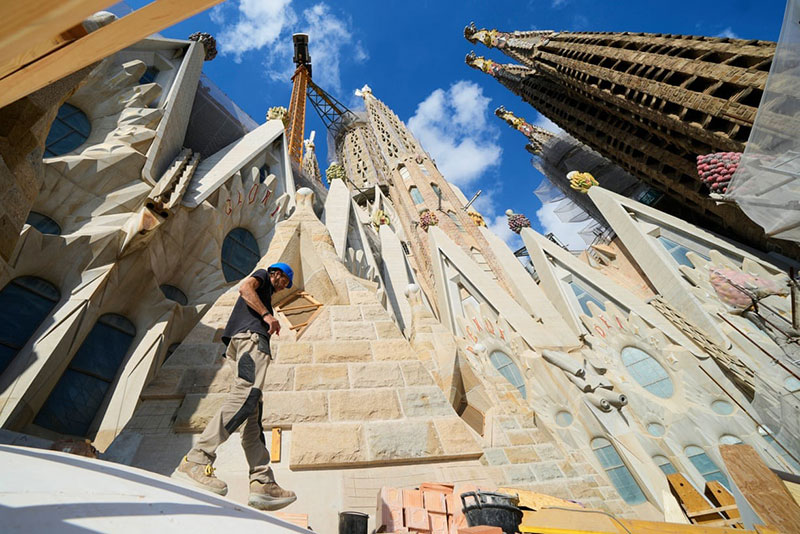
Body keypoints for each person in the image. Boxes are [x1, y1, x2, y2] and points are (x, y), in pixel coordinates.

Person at [173, 262, 297, 511]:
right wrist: (267, 316)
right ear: (277, 274)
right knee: (245, 395)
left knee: (252, 415)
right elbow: (245, 288)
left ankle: (262, 482)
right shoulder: (262, 277)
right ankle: (197, 459)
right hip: (251, 340)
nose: (284, 287)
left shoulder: (264, 296)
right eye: (285, 281)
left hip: (244, 343)